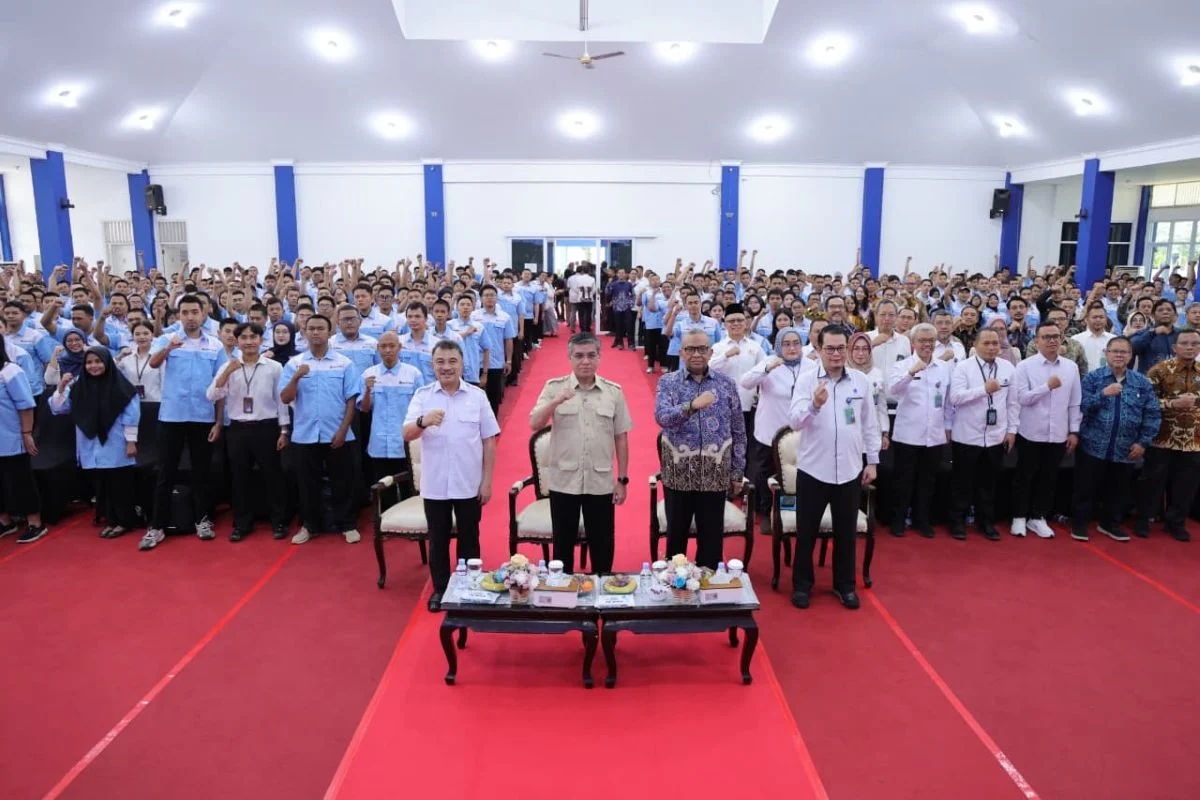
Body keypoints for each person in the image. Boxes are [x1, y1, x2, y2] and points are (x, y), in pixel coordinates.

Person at [788, 325, 880, 610]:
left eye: (841, 348)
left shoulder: (860, 381)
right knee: (806, 532)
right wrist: (814, 406)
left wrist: (872, 461)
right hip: (814, 470)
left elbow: (870, 423)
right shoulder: (807, 380)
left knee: (846, 532)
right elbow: (794, 421)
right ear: (819, 350)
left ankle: (845, 585)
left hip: (850, 470)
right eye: (830, 348)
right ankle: (802, 585)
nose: (836, 354)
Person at [404, 340, 499, 612]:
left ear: (462, 364)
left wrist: (487, 481)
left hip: (468, 482)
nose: (446, 367)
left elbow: (489, 440)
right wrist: (423, 421)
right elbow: (407, 433)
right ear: (432, 365)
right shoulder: (423, 395)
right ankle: (441, 589)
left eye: (452, 361)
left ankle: (468, 587)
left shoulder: (477, 396)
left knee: (470, 537)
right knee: (438, 539)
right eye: (440, 362)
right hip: (435, 484)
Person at [529, 332, 632, 574]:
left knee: (603, 546)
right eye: (579, 356)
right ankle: (564, 591)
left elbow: (621, 437)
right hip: (564, 482)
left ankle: (601, 588)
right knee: (562, 547)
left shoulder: (613, 392)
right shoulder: (555, 387)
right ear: (570, 358)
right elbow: (534, 423)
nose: (585, 361)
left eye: (591, 355)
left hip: (600, 481)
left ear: (599, 357)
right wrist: (556, 402)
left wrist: (622, 479)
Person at [653, 329, 746, 569]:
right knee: (676, 541)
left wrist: (737, 472)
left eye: (702, 349)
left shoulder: (726, 384)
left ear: (711, 352)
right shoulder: (668, 382)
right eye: (691, 349)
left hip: (715, 476)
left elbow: (738, 430)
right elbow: (662, 417)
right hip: (679, 476)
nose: (697, 354)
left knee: (712, 542)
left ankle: (708, 584)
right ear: (681, 352)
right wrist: (692, 405)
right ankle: (676, 584)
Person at [140, 295, 225, 551]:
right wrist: (169, 348)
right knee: (166, 471)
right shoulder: (168, 339)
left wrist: (218, 422)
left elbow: (220, 386)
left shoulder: (215, 345)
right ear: (178, 315)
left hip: (202, 417)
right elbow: (153, 363)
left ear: (203, 314)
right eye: (185, 312)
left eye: (194, 312)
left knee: (201, 472)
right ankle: (157, 526)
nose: (190, 317)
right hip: (172, 416)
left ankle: (202, 519)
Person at [279, 314, 362, 545]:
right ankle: (309, 525)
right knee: (307, 484)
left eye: (320, 328)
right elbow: (285, 398)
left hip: (337, 432)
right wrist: (296, 377)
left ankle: (348, 524)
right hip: (305, 434)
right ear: (304, 332)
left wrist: (343, 430)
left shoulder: (344, 363)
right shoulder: (294, 364)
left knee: (343, 482)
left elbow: (351, 399)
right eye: (311, 328)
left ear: (330, 332)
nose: (316, 332)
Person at [207, 323, 290, 541]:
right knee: (239, 478)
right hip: (238, 429)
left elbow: (281, 400)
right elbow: (212, 395)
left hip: (266, 427)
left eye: (253, 337)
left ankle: (279, 521)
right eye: (244, 337)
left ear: (261, 340)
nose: (249, 341)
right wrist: (228, 372)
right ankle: (242, 524)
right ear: (237, 341)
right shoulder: (229, 366)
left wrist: (284, 430)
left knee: (272, 476)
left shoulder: (274, 367)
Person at [1074, 336, 1160, 542]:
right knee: (1086, 488)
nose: (1119, 355)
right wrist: (1103, 394)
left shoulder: (1141, 382)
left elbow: (1152, 413)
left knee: (1118, 490)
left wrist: (1143, 442)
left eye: (1124, 352)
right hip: (1093, 444)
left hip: (1126, 447)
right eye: (1115, 351)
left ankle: (1110, 524)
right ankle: (1080, 523)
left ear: (1131, 356)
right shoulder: (1093, 378)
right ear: (1106, 354)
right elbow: (1081, 406)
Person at [50, 346, 141, 538]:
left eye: (98, 361)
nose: (94, 366)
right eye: (89, 362)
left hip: (116, 441)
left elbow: (131, 415)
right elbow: (59, 409)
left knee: (119, 484)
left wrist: (131, 442)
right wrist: (61, 388)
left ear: (107, 362)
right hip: (91, 444)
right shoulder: (79, 385)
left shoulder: (121, 386)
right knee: (103, 485)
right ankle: (111, 520)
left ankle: (125, 521)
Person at [1011, 322, 1082, 538]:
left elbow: (1075, 402)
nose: (1052, 341)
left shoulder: (1071, 367)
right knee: (1025, 476)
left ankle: (1038, 517)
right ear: (1037, 341)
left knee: (1049, 478)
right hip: (1030, 432)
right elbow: (1022, 398)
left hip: (1058, 433)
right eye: (1046, 337)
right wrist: (1046, 387)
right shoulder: (1025, 366)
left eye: (1056, 336)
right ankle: (1019, 516)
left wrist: (1074, 431)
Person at [740, 327, 814, 532]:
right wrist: (767, 369)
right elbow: (745, 382)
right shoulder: (770, 362)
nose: (792, 348)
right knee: (766, 473)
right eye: (786, 344)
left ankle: (792, 511)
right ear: (779, 346)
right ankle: (767, 512)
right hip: (770, 431)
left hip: (801, 431)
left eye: (796, 343)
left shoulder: (811, 365)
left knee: (796, 473)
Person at [949, 328, 1018, 541]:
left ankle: (985, 522)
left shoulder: (1008, 367)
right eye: (986, 343)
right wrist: (983, 390)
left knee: (989, 484)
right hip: (967, 436)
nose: (991, 347)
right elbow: (955, 398)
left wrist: (1012, 430)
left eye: (995, 343)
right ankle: (957, 522)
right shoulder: (963, 367)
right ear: (975, 345)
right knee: (962, 484)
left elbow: (1013, 403)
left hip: (996, 436)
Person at [887, 323, 954, 538]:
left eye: (930, 341)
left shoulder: (943, 367)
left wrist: (948, 427)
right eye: (922, 340)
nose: (927, 344)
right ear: (913, 343)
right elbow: (893, 391)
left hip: (934, 435)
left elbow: (948, 401)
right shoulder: (902, 365)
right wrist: (910, 373)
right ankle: (898, 520)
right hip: (908, 435)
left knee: (928, 481)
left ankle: (921, 520)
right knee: (903, 481)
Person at [1135, 327, 1200, 542]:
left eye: (1194, 343)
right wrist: (1173, 403)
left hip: (1194, 440)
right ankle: (1144, 520)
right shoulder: (1160, 370)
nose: (1190, 347)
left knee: (1186, 485)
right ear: (1175, 347)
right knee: (1152, 482)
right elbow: (1144, 401)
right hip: (1162, 438)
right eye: (1185, 343)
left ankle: (1176, 523)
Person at [358, 331, 426, 482]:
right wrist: (367, 390)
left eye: (391, 346)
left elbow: (421, 408)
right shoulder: (368, 374)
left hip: (404, 442)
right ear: (378, 348)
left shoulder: (413, 374)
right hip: (379, 444)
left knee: (407, 486)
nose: (387, 350)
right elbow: (364, 408)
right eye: (383, 346)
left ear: (399, 347)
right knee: (383, 487)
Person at [0, 337, 47, 543]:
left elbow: (26, 405)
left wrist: (27, 433)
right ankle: (5, 522)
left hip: (11, 437)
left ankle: (35, 523)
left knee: (20, 481)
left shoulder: (10, 371)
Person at [708, 303, 767, 460]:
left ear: (745, 322)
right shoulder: (718, 347)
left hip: (749, 405)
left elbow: (765, 371)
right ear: (725, 324)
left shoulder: (756, 347)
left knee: (748, 446)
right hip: (724, 406)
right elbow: (708, 369)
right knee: (725, 446)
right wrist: (726, 355)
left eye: (739, 320)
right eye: (731, 321)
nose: (736, 324)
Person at [471, 285, 515, 415]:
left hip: (496, 362)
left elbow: (508, 340)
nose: (489, 298)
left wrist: (509, 360)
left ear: (497, 298)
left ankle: (493, 423)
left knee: (494, 398)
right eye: (486, 295)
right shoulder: (473, 316)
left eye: (492, 295)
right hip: (476, 363)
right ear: (481, 298)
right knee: (475, 399)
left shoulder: (505, 317)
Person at [868, 300, 912, 399]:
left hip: (897, 400)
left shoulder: (904, 340)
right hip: (873, 399)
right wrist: (872, 345)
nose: (887, 318)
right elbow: (855, 364)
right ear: (876, 316)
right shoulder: (866, 338)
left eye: (891, 315)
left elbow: (907, 370)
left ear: (896, 317)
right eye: (883, 314)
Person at [116, 321, 163, 401]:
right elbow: (111, 369)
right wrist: (119, 356)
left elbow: (164, 382)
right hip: (132, 402)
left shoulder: (159, 356)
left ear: (152, 335)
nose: (141, 337)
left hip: (155, 402)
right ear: (133, 337)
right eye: (137, 334)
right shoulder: (127, 356)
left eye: (146, 333)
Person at [1130, 299, 1180, 373]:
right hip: (1149, 378)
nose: (1165, 312)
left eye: (1169, 310)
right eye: (1160, 310)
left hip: (1176, 378)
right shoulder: (1144, 333)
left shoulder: (1182, 334)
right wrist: (1153, 333)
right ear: (1152, 315)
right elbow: (1131, 347)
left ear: (1175, 315)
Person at [1072, 304, 1116, 373]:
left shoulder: (1114, 339)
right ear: (1086, 319)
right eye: (1094, 317)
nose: (1098, 320)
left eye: (1101, 317)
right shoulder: (1076, 339)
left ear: (1106, 319)